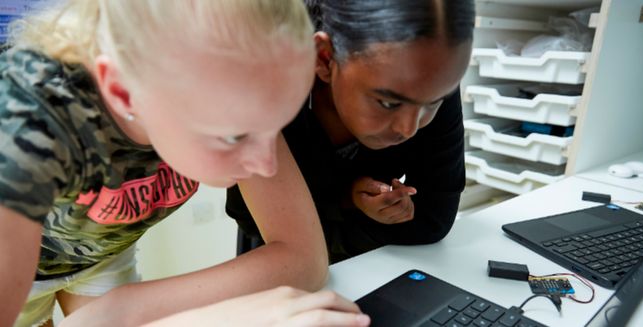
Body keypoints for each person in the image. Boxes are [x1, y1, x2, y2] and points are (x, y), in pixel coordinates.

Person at [0, 1, 369, 326]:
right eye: (233, 137)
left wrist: (122, 311)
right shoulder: (27, 128)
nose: (265, 164)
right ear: (123, 91)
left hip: (100, 249)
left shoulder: (233, 90)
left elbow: (302, 256)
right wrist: (210, 318)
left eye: (273, 128)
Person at [226, 0, 475, 263]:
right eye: (388, 103)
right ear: (324, 58)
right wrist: (345, 202)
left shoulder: (430, 80)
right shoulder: (269, 88)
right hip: (280, 267)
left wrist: (333, 212)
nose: (409, 128)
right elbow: (255, 223)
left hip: (377, 266)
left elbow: (434, 219)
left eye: (433, 103)